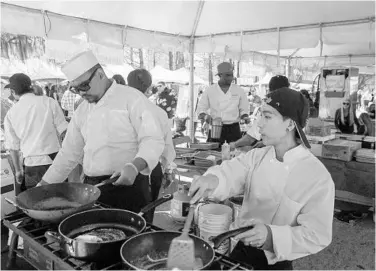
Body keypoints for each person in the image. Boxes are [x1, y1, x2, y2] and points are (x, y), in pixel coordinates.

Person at [189, 87, 334, 270]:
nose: (259, 124)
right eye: (260, 116)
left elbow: (317, 234)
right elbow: (232, 171)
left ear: (290, 124)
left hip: (276, 259)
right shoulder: (257, 156)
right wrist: (212, 180)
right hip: (242, 249)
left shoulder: (316, 176)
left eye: (267, 116)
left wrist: (271, 236)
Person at [37, 51, 165, 223]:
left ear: (99, 74)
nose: (81, 93)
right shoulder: (82, 110)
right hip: (93, 189)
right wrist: (43, 187)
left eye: (83, 86)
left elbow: (152, 139)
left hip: (130, 186)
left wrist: (135, 166)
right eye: (75, 89)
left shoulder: (132, 98)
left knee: (129, 242)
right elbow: (68, 154)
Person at [4, 73, 68, 190]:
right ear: (30, 86)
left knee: (37, 203)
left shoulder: (11, 113)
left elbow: (13, 147)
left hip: (31, 166)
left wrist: (18, 170)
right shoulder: (49, 102)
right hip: (56, 162)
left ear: (13, 91)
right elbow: (65, 132)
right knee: (61, 199)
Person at [127, 69, 176, 209]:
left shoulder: (116, 111)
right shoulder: (159, 112)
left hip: (121, 169)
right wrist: (168, 171)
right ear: (149, 88)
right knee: (146, 214)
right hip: (151, 168)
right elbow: (167, 147)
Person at [229, 75, 290, 150]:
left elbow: (250, 138)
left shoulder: (268, 108)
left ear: (270, 90)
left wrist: (234, 144)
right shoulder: (295, 107)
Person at [196, 62, 249, 145]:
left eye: (231, 75)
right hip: (216, 128)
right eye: (227, 75)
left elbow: (244, 109)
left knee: (236, 154)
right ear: (220, 75)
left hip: (234, 129)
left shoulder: (239, 90)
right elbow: (200, 110)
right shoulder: (210, 90)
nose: (230, 78)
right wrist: (206, 116)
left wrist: (245, 117)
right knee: (213, 154)